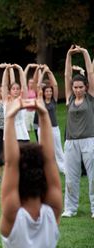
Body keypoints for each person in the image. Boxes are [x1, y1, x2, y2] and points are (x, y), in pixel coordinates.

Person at [0, 92, 62, 248]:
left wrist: (10, 116)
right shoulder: (53, 211)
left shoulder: (12, 215)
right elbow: (50, 160)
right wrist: (43, 113)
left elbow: (11, 163)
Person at [62, 45, 94, 218]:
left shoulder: (90, 97)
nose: (77, 89)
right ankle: (70, 209)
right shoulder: (70, 98)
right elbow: (67, 75)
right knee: (70, 178)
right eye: (75, 87)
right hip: (71, 142)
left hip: (89, 140)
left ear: (86, 87)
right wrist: (68, 54)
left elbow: (90, 73)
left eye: (81, 87)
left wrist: (85, 52)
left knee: (93, 178)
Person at [37, 66, 65, 173]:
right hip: (42, 129)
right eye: (47, 91)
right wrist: (42, 72)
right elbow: (39, 86)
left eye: (50, 91)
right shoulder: (40, 101)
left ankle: (62, 168)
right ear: (44, 93)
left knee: (57, 149)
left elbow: (55, 85)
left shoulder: (54, 100)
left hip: (54, 128)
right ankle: (44, 168)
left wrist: (49, 72)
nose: (49, 93)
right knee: (42, 150)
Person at [2, 64, 30, 142]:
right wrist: (6, 69)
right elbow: (4, 85)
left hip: (22, 135)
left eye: (17, 89)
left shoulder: (22, 100)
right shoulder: (6, 101)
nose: (15, 90)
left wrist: (20, 69)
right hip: (9, 135)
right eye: (13, 89)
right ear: (10, 91)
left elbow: (24, 86)